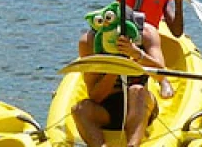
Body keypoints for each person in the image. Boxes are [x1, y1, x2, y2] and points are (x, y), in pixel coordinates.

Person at [71, 11, 169, 147]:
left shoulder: (147, 33)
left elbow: (162, 75)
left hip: (140, 103)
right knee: (80, 109)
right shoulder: (90, 41)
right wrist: (114, 69)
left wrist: (137, 54)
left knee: (136, 90)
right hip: (106, 108)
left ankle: (132, 144)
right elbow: (95, 96)